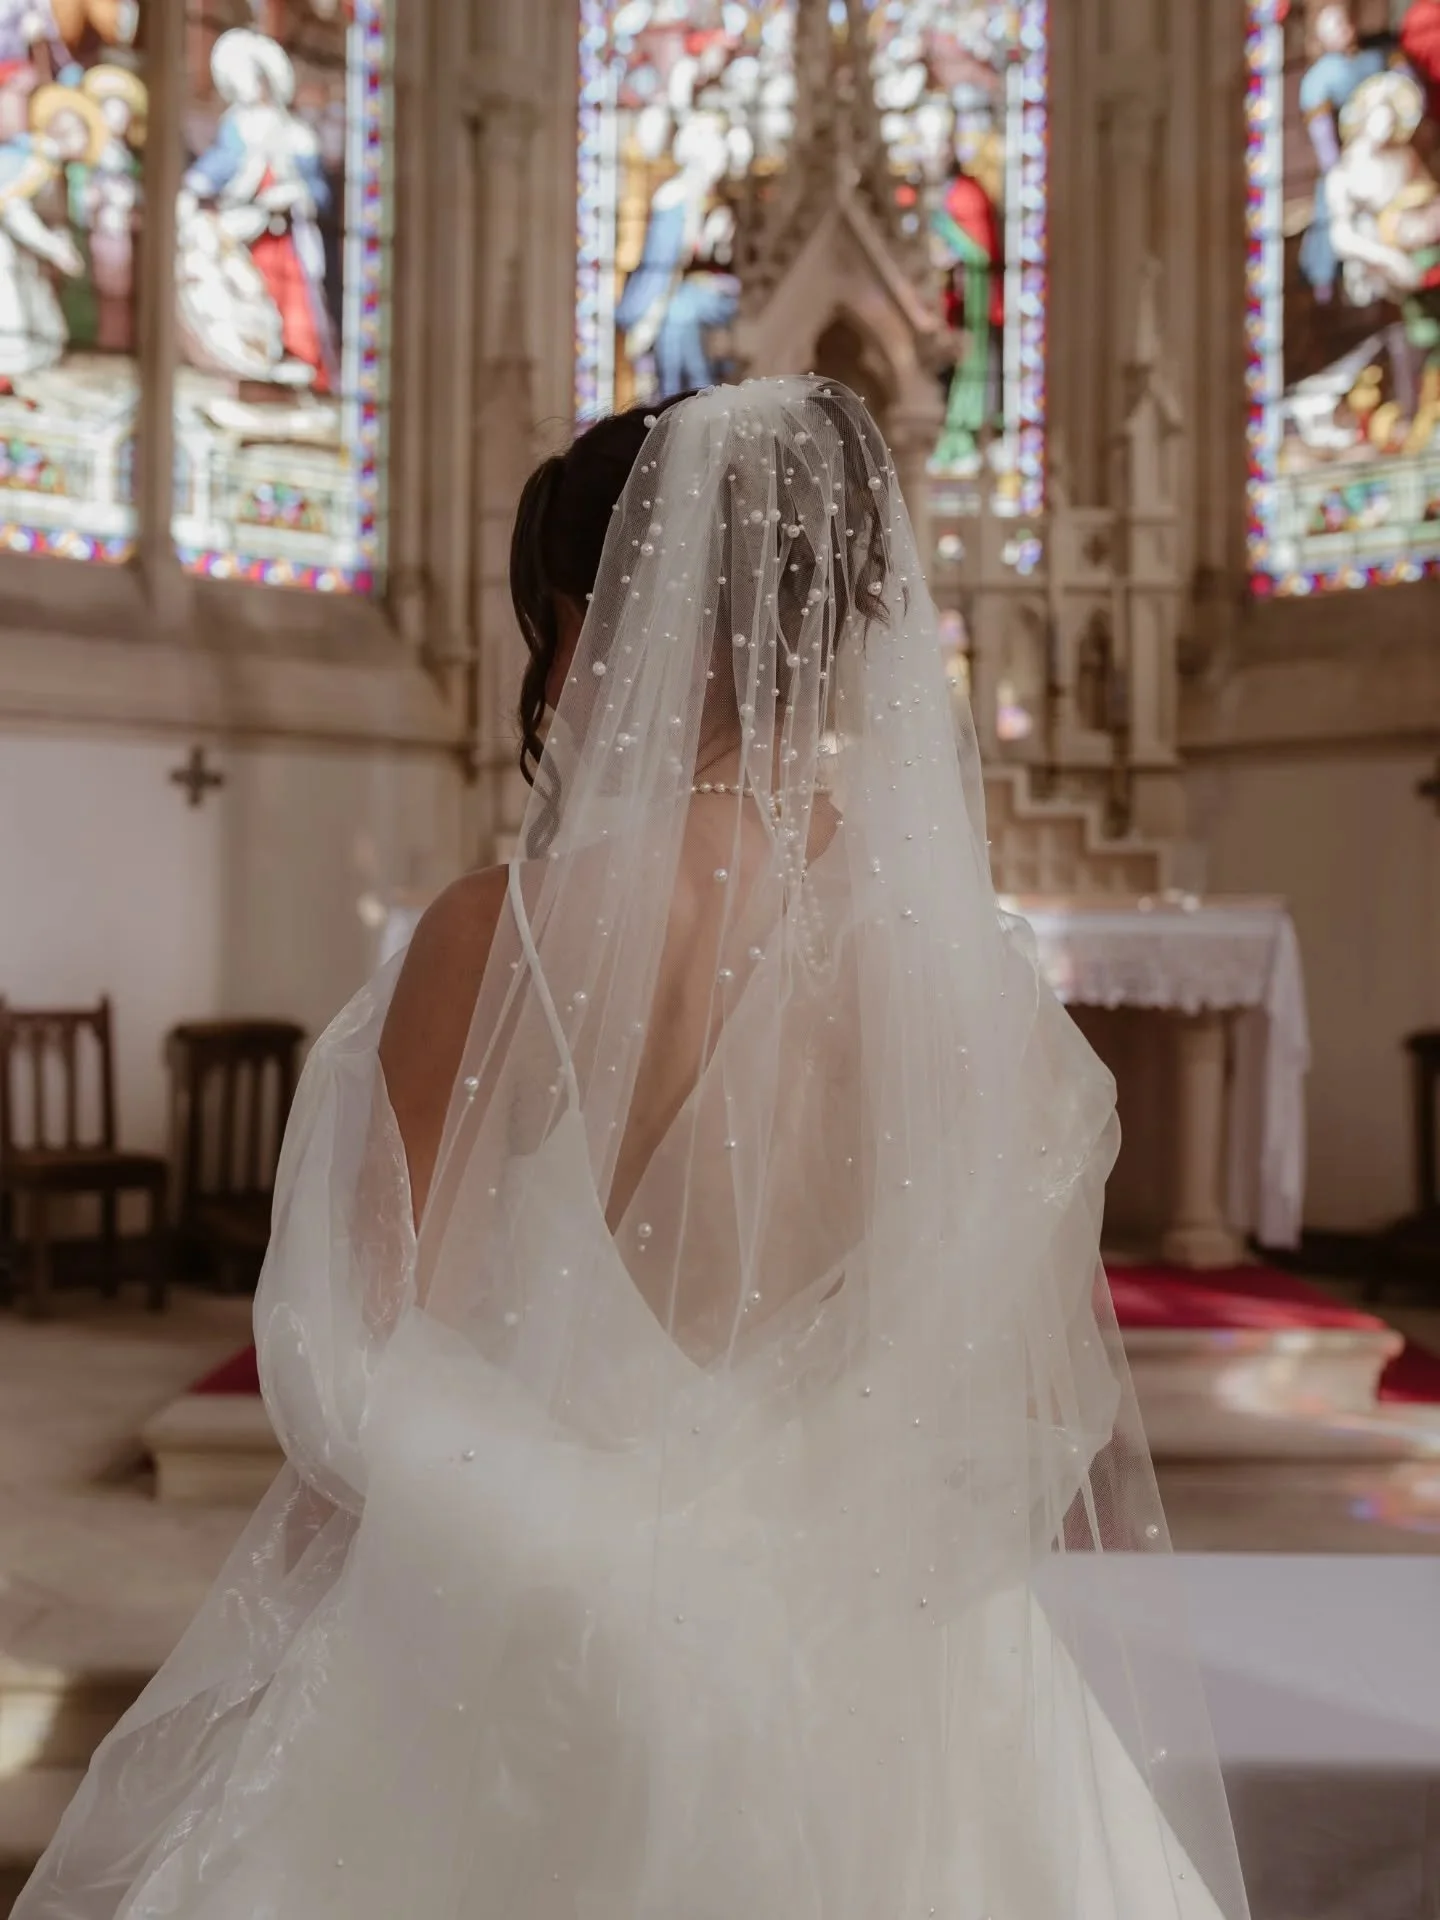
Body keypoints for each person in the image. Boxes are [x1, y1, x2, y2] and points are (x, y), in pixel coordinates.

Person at [14, 377, 1250, 1920]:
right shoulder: (979, 1000)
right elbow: (1009, 1403)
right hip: (889, 1674)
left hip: (527, 1654)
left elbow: (353, 1367)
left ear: (613, 620)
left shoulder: (497, 937)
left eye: (556, 627)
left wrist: (522, 1545)